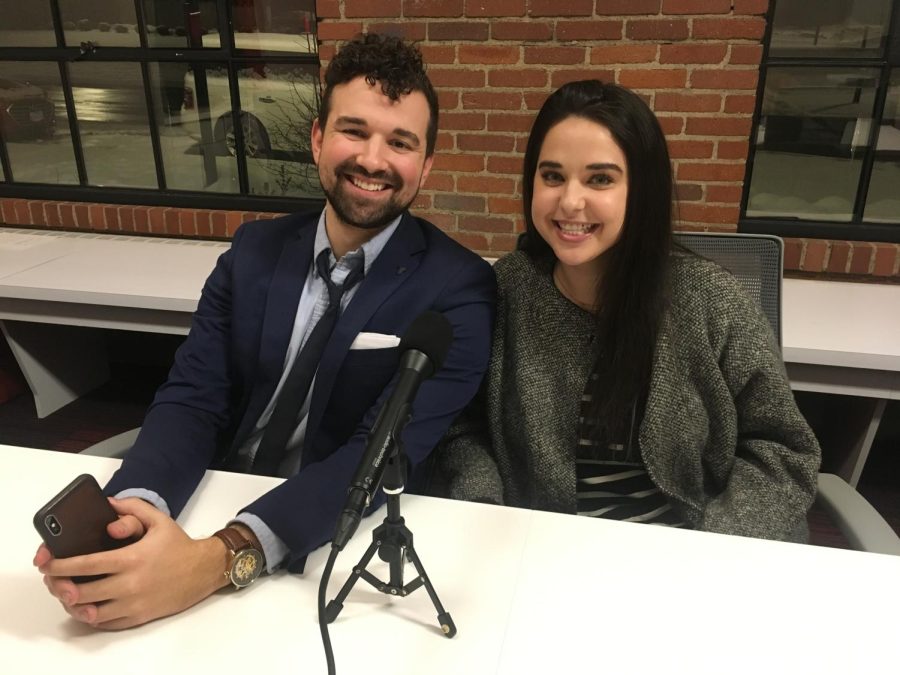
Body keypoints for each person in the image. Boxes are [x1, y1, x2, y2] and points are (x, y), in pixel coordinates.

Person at [34, 33, 495, 630]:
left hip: (325, 544)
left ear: (426, 165)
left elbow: (377, 457)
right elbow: (194, 398)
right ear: (317, 139)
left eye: (400, 142)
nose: (374, 160)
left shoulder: (457, 288)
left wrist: (215, 561)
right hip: (205, 499)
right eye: (354, 131)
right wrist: (135, 513)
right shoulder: (253, 251)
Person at [438, 79, 820, 541]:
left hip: (690, 557)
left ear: (641, 190)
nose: (569, 202)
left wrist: (717, 549)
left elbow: (783, 450)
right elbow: (462, 423)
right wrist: (483, 509)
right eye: (553, 176)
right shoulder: (507, 290)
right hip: (540, 556)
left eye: (600, 178)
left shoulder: (710, 300)